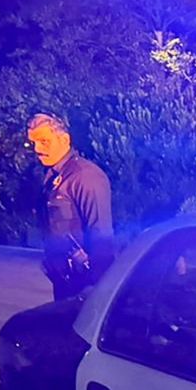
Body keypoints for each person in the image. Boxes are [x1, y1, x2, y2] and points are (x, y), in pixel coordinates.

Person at [27, 113, 114, 301]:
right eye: (33, 143)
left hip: (83, 284)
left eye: (44, 141)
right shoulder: (53, 175)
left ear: (64, 140)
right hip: (63, 278)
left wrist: (97, 287)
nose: (37, 149)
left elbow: (101, 234)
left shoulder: (85, 176)